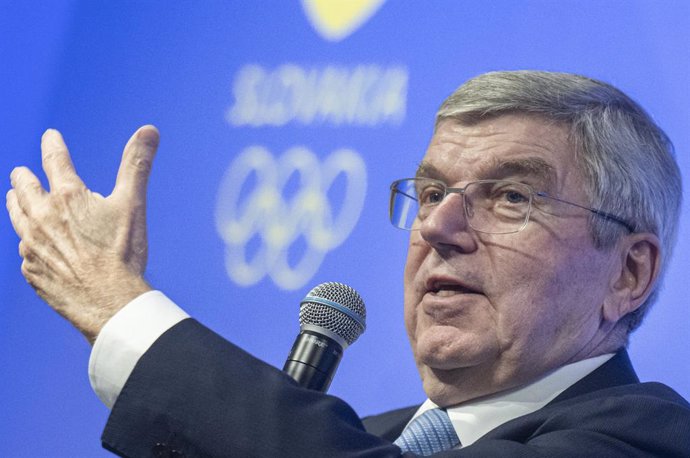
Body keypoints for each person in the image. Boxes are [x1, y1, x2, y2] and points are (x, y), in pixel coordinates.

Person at [6, 71, 690, 457]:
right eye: (428, 194)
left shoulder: (649, 441)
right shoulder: (367, 439)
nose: (438, 226)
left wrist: (120, 311)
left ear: (627, 273)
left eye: (511, 197)